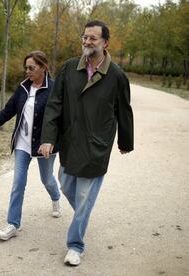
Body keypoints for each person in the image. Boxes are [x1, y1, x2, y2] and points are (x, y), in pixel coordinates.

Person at [39, 20, 134, 266]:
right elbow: (54, 105)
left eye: (93, 38)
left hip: (96, 147)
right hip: (70, 143)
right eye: (85, 37)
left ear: (105, 43)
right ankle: (84, 212)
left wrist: (125, 141)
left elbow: (124, 111)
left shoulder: (117, 76)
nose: (87, 42)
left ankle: (75, 245)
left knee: (83, 199)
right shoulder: (69, 68)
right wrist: (49, 138)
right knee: (67, 186)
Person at [0, 51, 62, 241]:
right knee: (18, 183)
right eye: (26, 68)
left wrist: (51, 141)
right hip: (22, 143)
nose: (27, 71)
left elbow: (59, 119)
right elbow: (7, 111)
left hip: (43, 145)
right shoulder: (23, 88)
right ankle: (13, 224)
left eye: (31, 68)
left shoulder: (54, 89)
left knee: (47, 179)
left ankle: (55, 197)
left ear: (43, 67)